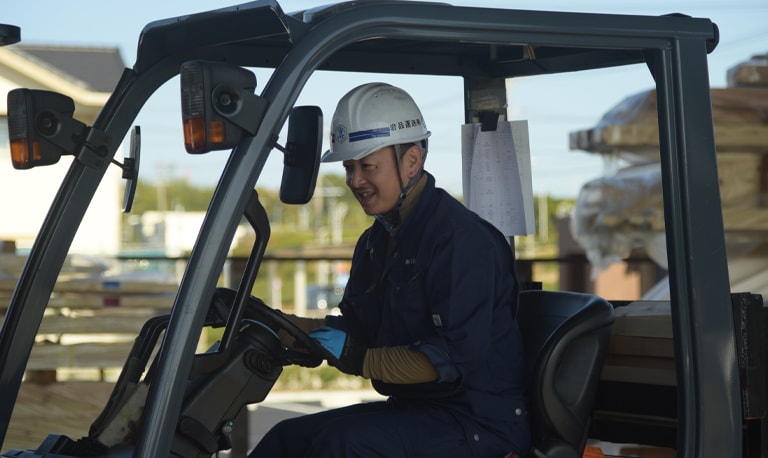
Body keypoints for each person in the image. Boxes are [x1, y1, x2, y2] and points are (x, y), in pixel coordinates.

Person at [249, 82, 530, 457]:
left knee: (342, 446)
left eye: (367, 166)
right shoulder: (376, 242)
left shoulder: (461, 242)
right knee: (287, 439)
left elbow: (449, 359)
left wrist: (358, 358)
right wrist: (277, 324)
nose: (354, 181)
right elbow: (356, 330)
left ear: (411, 161)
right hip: (418, 412)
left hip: (478, 423)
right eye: (350, 167)